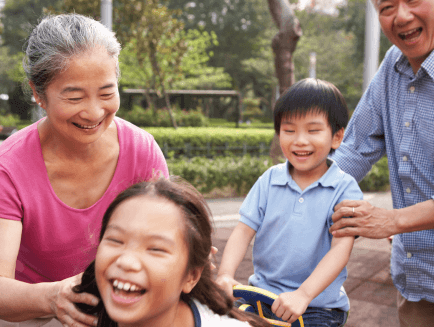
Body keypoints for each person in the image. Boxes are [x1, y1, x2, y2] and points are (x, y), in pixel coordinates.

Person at [0, 14, 168, 326]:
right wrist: (52, 298)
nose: (93, 112)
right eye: (75, 97)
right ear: (38, 94)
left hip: (118, 304)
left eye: (106, 93)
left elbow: (164, 243)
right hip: (29, 310)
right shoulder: (7, 169)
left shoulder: (142, 151)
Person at [216, 78, 363, 326]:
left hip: (317, 305)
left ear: (337, 137)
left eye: (313, 130)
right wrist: (225, 275)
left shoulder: (344, 189)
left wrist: (303, 295)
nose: (300, 140)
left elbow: (341, 249)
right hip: (262, 297)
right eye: (289, 130)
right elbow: (243, 231)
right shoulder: (269, 180)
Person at [329, 0, 434, 325]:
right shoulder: (394, 64)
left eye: (414, 0)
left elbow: (391, 221)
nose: (402, 15)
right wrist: (295, 189)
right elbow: (355, 149)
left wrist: (394, 221)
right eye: (387, 6)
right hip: (416, 279)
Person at [73, 177, 271, 327]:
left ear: (192, 276)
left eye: (156, 249)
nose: (126, 261)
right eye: (115, 240)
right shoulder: (83, 316)